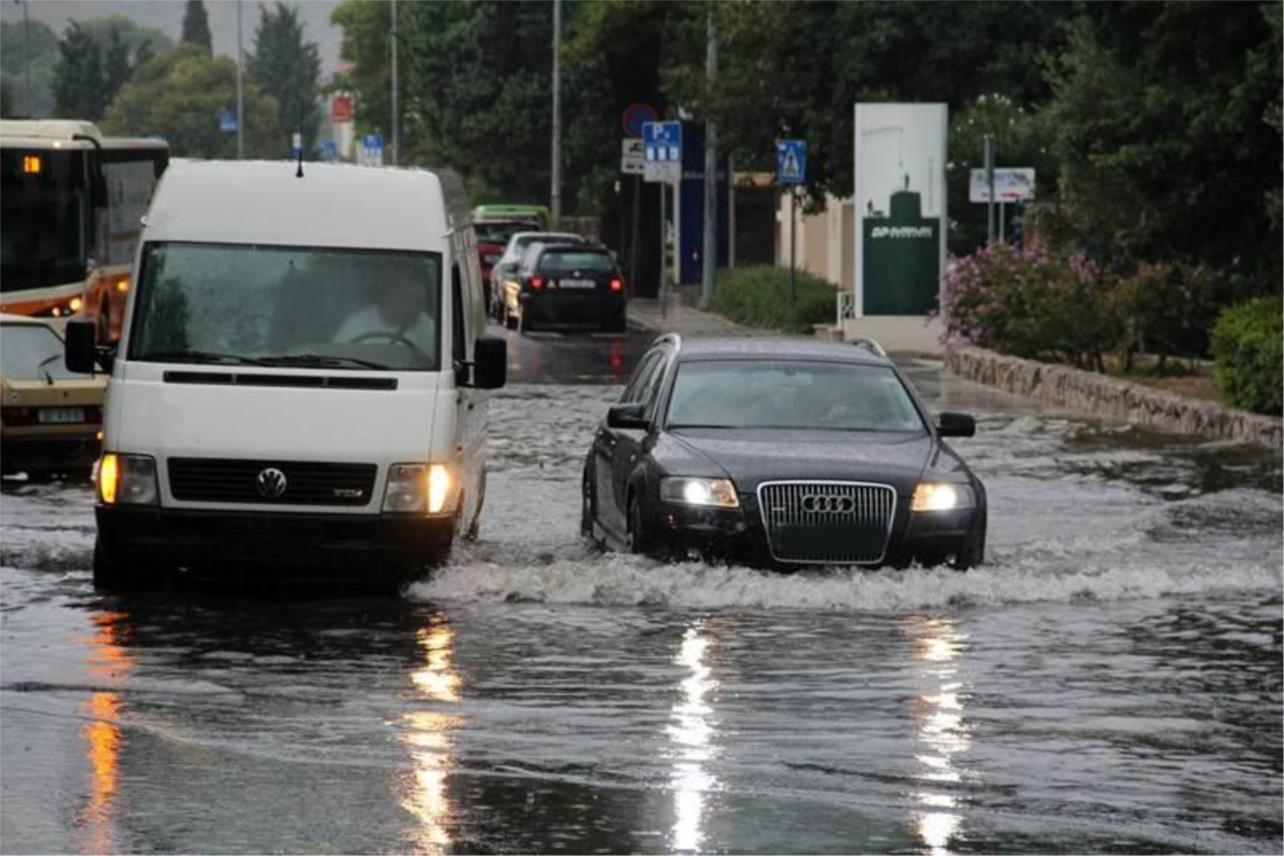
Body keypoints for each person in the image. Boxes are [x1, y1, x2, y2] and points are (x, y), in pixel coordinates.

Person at [333, 262, 436, 357]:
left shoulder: (428, 329)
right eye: (409, 299)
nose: (416, 310)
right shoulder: (355, 325)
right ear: (389, 296)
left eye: (419, 303)